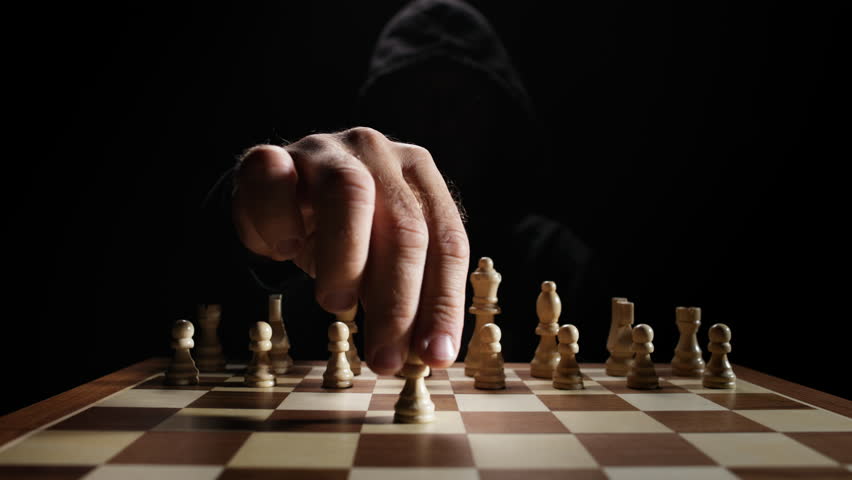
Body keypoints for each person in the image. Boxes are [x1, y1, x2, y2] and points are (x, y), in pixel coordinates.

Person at [194, 0, 605, 375]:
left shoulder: (555, 257)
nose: (439, 123)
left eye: (461, 102)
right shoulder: (322, 229)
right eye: (416, 99)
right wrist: (249, 211)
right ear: (379, 114)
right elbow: (202, 293)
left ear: (500, 120)